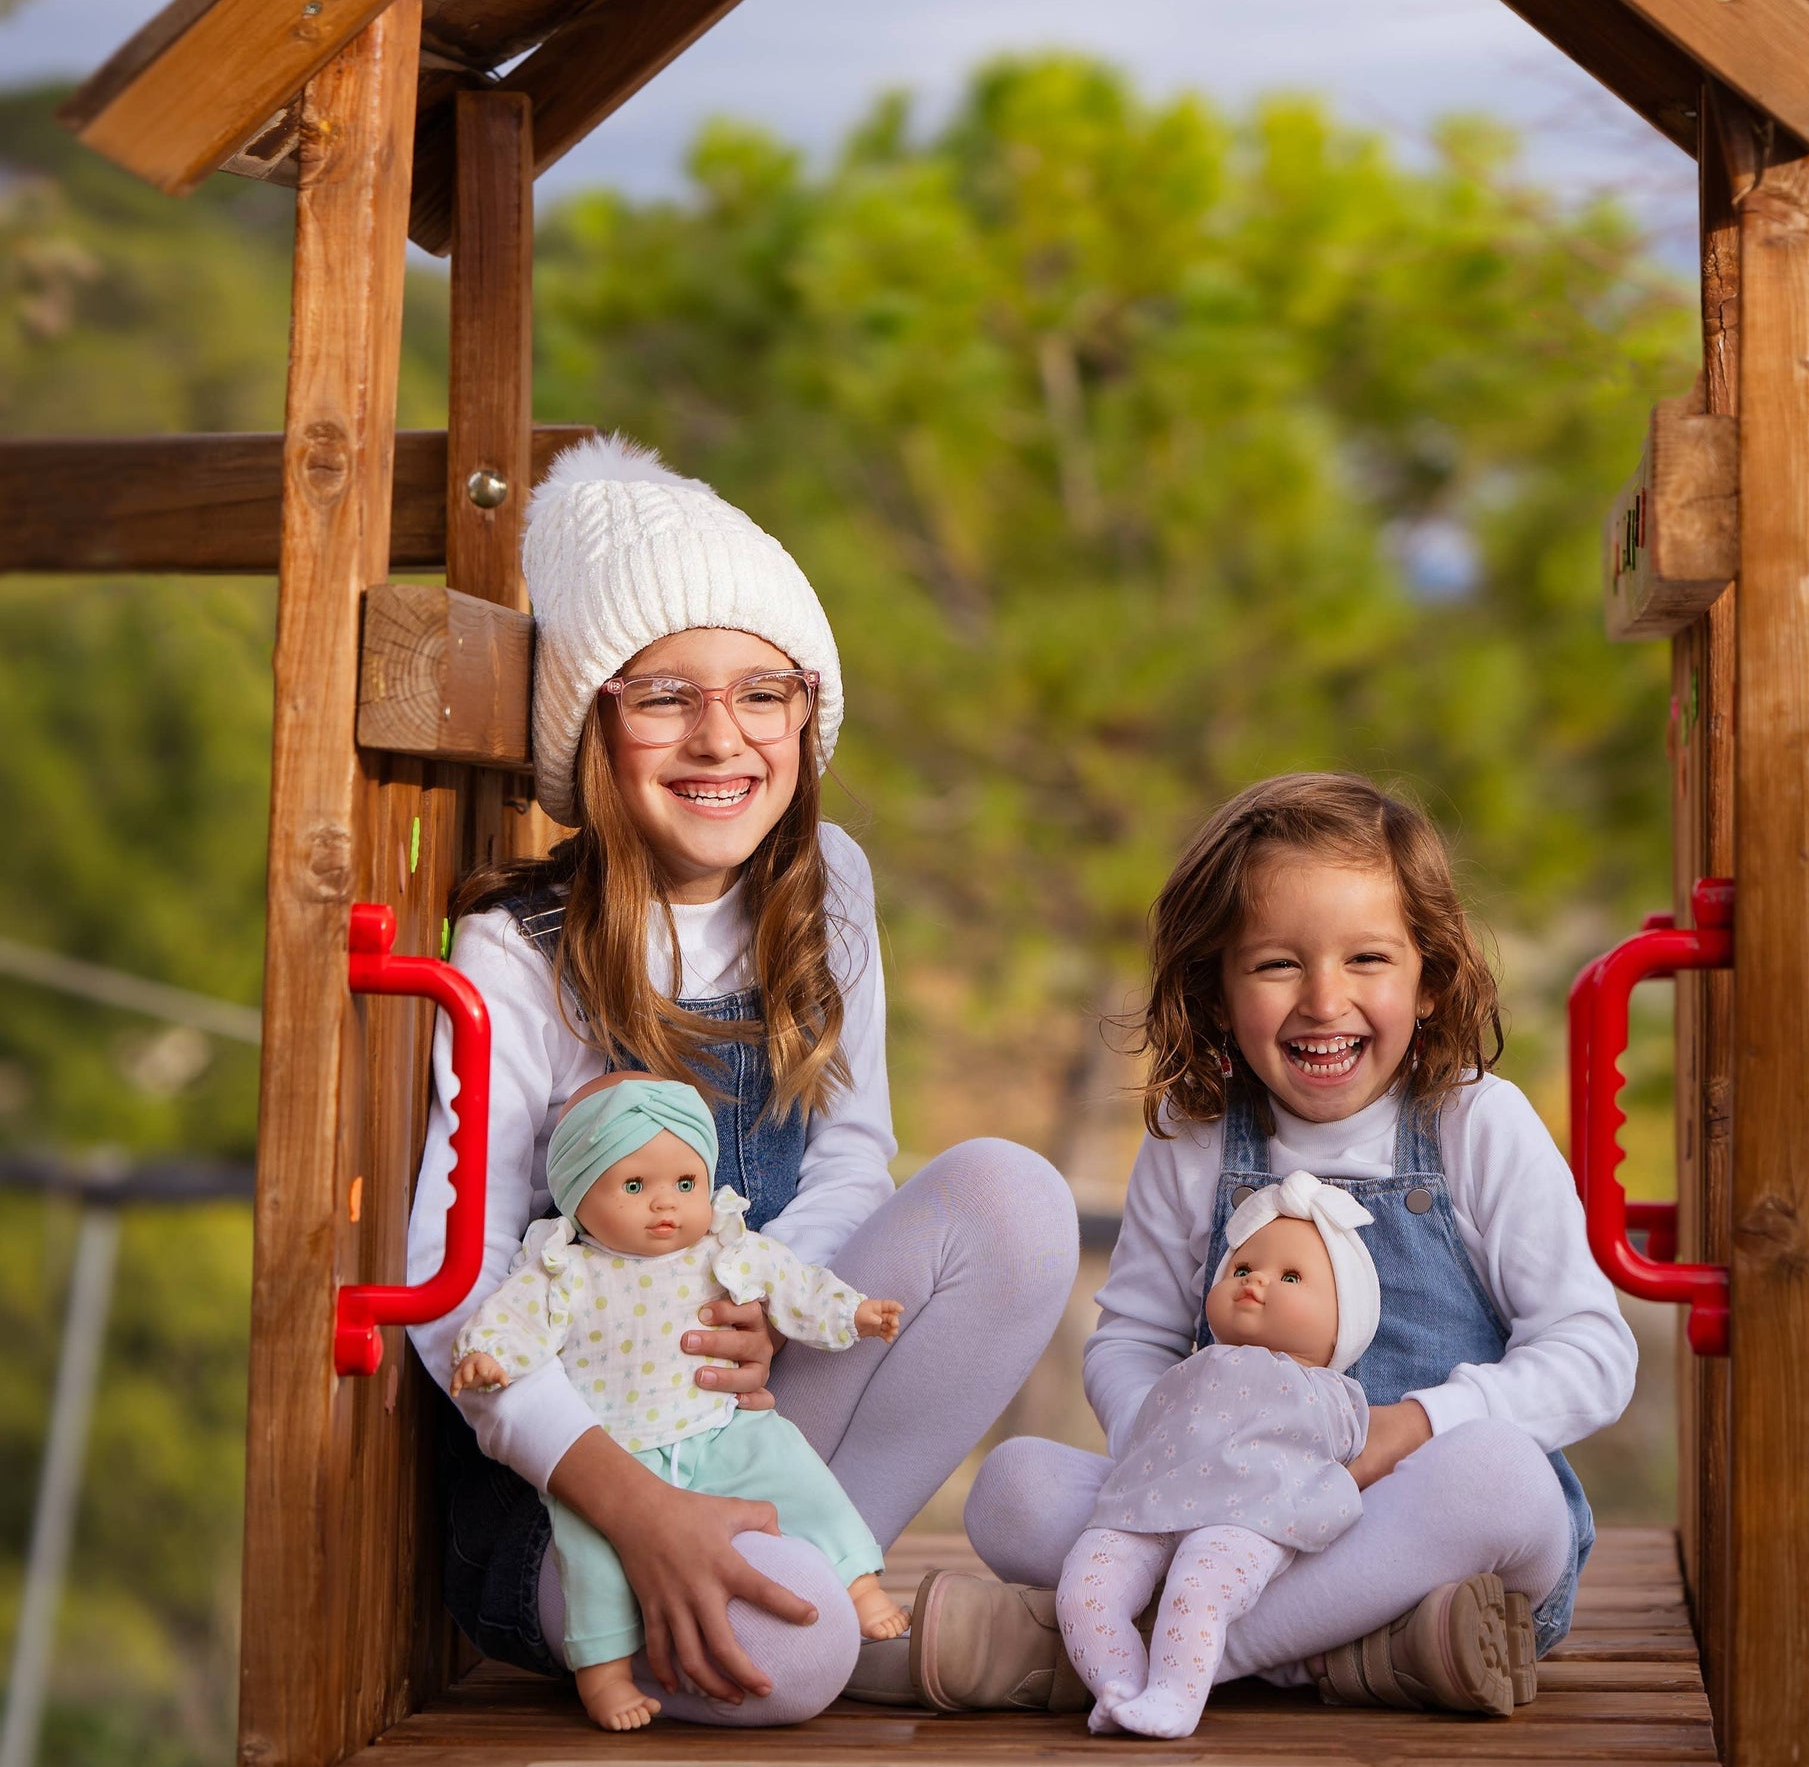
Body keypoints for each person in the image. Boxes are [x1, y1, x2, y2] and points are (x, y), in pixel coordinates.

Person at [406, 433, 1079, 1726]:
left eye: (762, 693)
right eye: (664, 695)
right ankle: (844, 1618)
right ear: (593, 721)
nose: (722, 737)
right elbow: (460, 1287)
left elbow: (844, 1159)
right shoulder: (518, 951)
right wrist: (632, 1500)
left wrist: (775, 1316)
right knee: (800, 1662)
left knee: (1012, 1199)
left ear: (804, 713)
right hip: (572, 1487)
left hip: (737, 1399)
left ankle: (823, 1566)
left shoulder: (831, 891)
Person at [918, 772, 1634, 1716]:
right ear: (1215, 989)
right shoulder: (1196, 1133)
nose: (1324, 1000)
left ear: (1429, 979)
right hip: (1233, 1520)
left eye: (1368, 958)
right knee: (1011, 1488)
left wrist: (1412, 1428)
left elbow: (1593, 1354)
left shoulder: (1475, 1126)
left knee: (1502, 1479)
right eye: (1276, 965)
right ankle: (1355, 1655)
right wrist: (1168, 1450)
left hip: (1418, 1532)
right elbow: (1131, 1337)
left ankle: (1161, 1656)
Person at [450, 1074, 907, 1729]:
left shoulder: (723, 1250)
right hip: (616, 1449)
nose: (665, 1206)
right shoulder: (563, 1270)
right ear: (579, 1195)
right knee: (594, 1560)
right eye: (635, 1187)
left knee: (798, 1476)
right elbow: (513, 1321)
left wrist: (855, 1313)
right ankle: (604, 1674)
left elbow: (794, 1285)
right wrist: (488, 1356)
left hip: (717, 1426)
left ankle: (858, 1584)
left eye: (685, 1185)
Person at [1058, 1170, 1378, 1738]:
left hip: (1250, 1516)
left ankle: (1176, 1698)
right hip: (1149, 1502)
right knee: (1085, 1586)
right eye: (1243, 1268)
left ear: (1343, 1324)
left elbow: (1344, 1450)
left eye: (1292, 1276)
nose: (1256, 1282)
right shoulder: (1190, 1366)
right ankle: (1119, 1685)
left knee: (1199, 1585)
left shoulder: (1332, 1390)